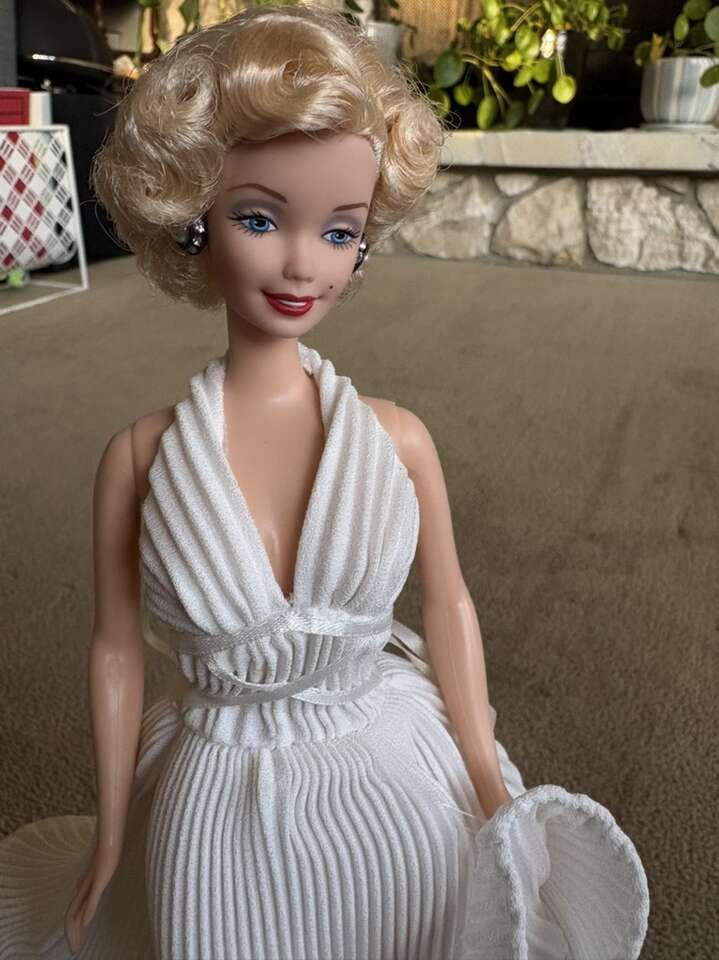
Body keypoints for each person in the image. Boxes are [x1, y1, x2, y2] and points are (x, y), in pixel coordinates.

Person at [0, 4, 649, 959]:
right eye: (259, 219)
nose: (304, 263)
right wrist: (111, 831)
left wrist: (483, 770)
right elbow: (115, 651)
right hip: (218, 784)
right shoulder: (139, 458)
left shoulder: (397, 440)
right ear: (192, 219)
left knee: (430, 909)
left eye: (340, 232)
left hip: (385, 760)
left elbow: (449, 606)